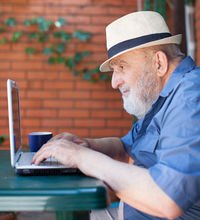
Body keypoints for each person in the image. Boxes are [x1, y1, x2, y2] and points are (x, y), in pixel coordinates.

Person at [32, 11, 200, 220]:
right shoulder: (163, 96)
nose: (114, 82)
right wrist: (85, 144)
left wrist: (81, 157)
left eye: (122, 67)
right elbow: (126, 149)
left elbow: (168, 199)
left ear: (158, 63)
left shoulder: (189, 96)